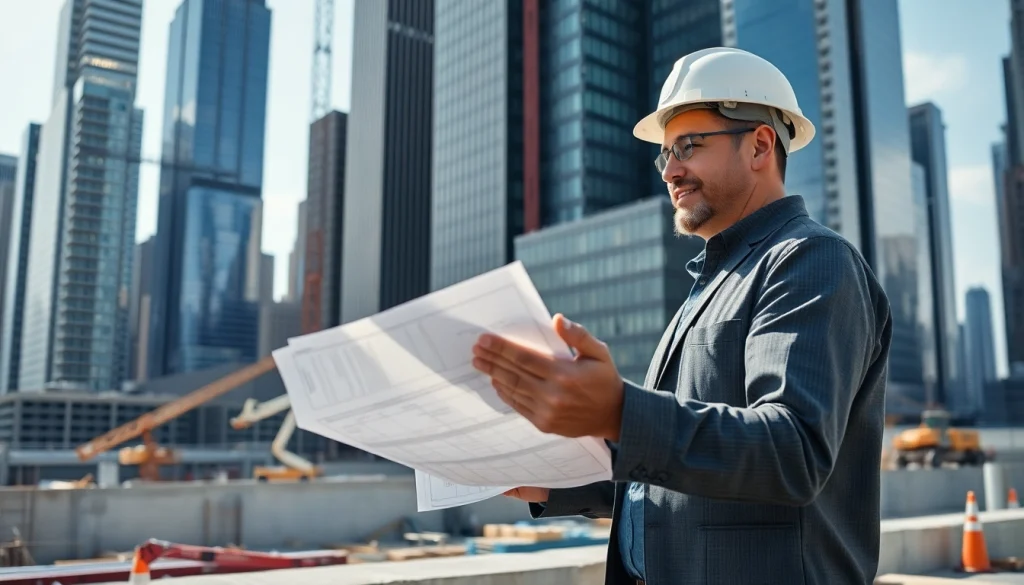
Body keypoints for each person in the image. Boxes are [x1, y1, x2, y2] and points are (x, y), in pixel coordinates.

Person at [470, 47, 892, 585]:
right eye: (665, 153)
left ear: (760, 145)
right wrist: (555, 484)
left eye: (688, 146)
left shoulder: (810, 260)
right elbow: (680, 467)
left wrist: (620, 410)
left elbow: (792, 451)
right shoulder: (710, 284)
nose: (670, 170)